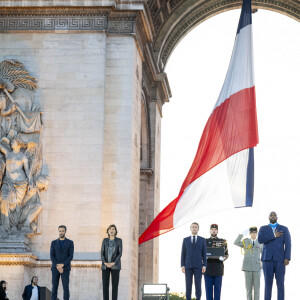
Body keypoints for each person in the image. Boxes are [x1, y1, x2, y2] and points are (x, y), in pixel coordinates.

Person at [258, 212, 291, 300]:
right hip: (267, 260)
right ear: (268, 217)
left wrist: (287, 257)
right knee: (267, 284)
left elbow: (288, 244)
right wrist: (274, 235)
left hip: (280, 260)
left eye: (274, 215)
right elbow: (260, 240)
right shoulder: (263, 228)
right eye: (271, 215)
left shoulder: (284, 229)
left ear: (277, 217)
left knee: (280, 284)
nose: (272, 216)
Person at [234, 226, 263, 300]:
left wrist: (262, 268)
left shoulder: (260, 242)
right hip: (247, 268)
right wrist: (241, 234)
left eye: (255, 233)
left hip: (257, 268)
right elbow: (236, 242)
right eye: (252, 233)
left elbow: (264, 255)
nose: (253, 234)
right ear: (249, 233)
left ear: (257, 233)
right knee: (248, 289)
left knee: (257, 289)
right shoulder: (245, 241)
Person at [181, 222, 207, 300]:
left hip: (198, 266)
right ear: (190, 228)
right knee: (188, 285)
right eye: (193, 227)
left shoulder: (202, 240)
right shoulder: (185, 240)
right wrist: (182, 265)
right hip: (188, 266)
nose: (194, 228)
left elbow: (204, 254)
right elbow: (183, 253)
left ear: (198, 229)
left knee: (198, 285)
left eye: (196, 227)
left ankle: (198, 298)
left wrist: (204, 265)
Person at [204, 224, 228, 300]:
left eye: (215, 229)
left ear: (217, 231)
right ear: (210, 231)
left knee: (218, 291)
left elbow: (226, 254)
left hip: (218, 269)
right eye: (212, 229)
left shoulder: (223, 241)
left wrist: (223, 258)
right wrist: (204, 257)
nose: (214, 231)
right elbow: (200, 254)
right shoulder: (205, 241)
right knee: (208, 291)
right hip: (207, 269)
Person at [50, 225, 74, 300]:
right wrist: (57, 266)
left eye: (63, 231)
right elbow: (51, 255)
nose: (61, 232)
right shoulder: (53, 243)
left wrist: (62, 265)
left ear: (65, 231)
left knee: (66, 288)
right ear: (58, 231)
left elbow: (70, 256)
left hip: (65, 268)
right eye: (60, 231)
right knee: (54, 288)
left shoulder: (70, 242)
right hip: (55, 268)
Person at [101, 224, 122, 300]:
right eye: (110, 229)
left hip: (115, 266)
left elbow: (120, 254)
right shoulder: (105, 240)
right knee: (105, 286)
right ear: (108, 231)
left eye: (113, 229)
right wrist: (105, 263)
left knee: (115, 286)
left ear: (115, 231)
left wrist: (113, 263)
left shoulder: (119, 240)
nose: (111, 230)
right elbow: (102, 253)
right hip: (105, 266)